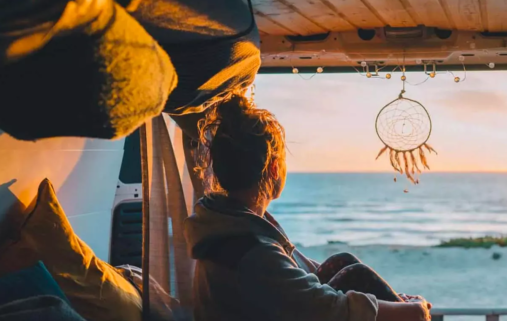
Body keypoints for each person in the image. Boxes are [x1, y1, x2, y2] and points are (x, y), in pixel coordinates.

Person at [183, 94, 432, 321]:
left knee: (342, 262)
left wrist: (397, 303)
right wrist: (414, 311)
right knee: (358, 276)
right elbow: (332, 309)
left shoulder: (231, 226)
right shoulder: (251, 252)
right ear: (273, 169)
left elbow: (302, 273)